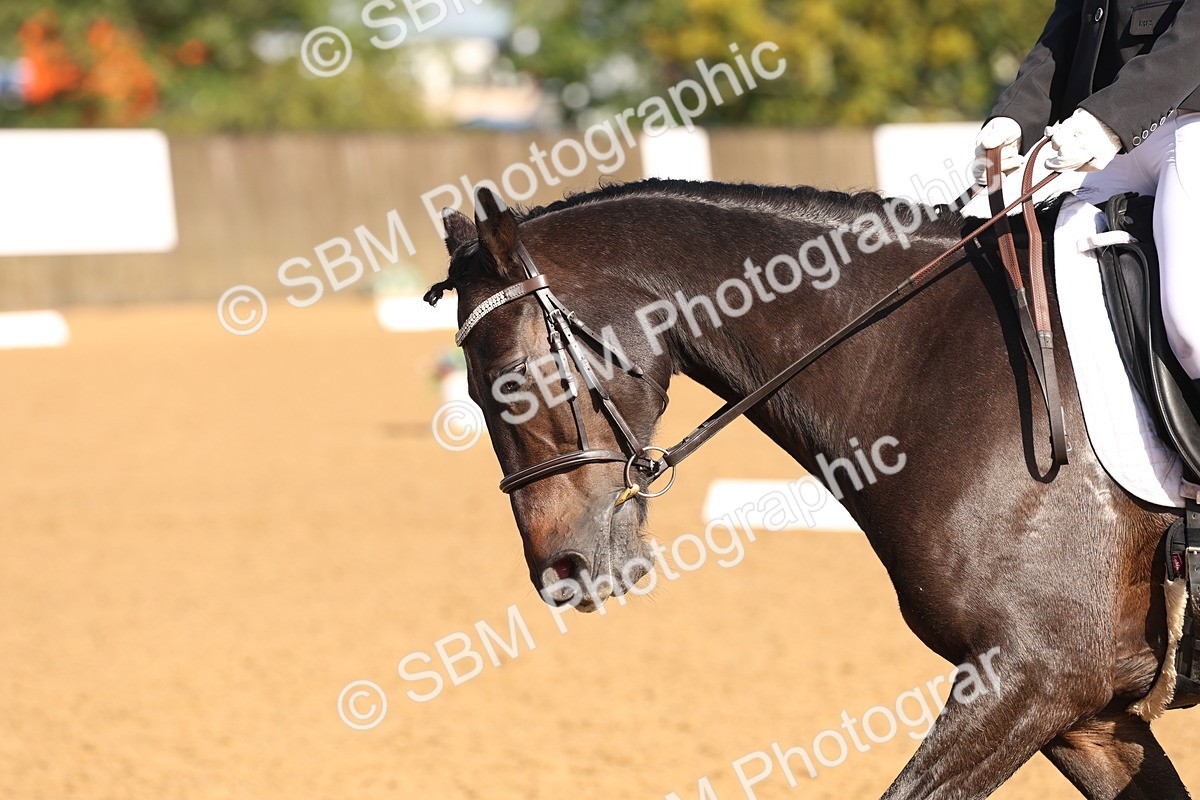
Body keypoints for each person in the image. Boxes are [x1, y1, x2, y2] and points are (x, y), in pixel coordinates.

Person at [974, 0, 1200, 383]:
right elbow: (1069, 25)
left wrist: (1115, 117)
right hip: (1102, 128)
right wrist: (1016, 113)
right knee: (1031, 288)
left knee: (1190, 326)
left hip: (1185, 118)